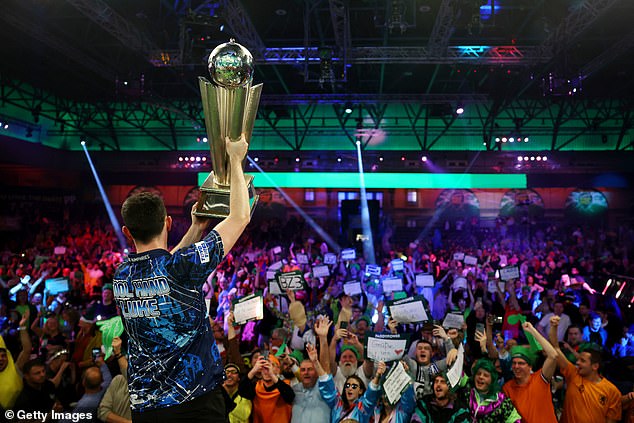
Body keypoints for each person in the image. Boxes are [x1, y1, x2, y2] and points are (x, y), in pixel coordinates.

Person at [113, 135, 251, 422]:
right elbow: (240, 217)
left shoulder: (121, 276)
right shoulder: (180, 267)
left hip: (147, 408)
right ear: (167, 223)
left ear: (127, 232)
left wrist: (196, 228)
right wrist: (236, 160)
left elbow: (163, 264)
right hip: (197, 403)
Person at [549, 315, 622, 423]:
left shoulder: (612, 391)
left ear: (595, 366)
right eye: (570, 334)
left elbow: (611, 421)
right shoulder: (573, 374)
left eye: (582, 361)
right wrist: (554, 327)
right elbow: (555, 347)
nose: (577, 362)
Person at [502, 322, 558, 423]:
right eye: (514, 363)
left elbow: (553, 356)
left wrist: (532, 331)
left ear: (530, 366)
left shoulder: (540, 379)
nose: (516, 366)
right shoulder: (508, 388)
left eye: (521, 363)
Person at [291, 318, 330, 423]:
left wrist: (323, 338)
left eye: (310, 369)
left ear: (317, 373)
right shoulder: (294, 391)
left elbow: (326, 368)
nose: (306, 372)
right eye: (303, 370)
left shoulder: (323, 390)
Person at [238, 353, 295, 423]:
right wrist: (253, 370)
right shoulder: (256, 387)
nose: (266, 369)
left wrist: (272, 375)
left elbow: (290, 397)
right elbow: (241, 391)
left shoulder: (286, 384)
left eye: (271, 365)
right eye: (264, 365)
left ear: (278, 369)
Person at [465, 359, 521, 423]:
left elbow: (515, 420)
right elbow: (456, 376)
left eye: (485, 375)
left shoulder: (501, 402)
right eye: (478, 373)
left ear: (492, 380)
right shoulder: (468, 390)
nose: (481, 377)